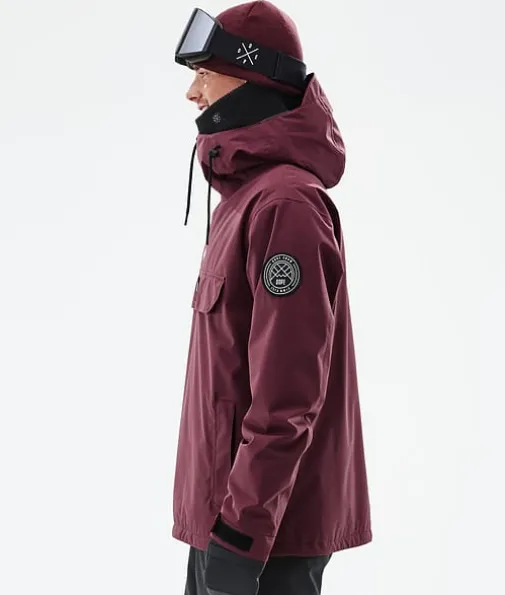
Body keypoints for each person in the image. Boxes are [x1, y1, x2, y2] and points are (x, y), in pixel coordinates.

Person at [172, 2, 372, 594]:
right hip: (226, 520)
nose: (192, 93)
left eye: (204, 73)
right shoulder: (246, 201)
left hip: (261, 538)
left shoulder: (285, 206)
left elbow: (288, 395)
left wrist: (241, 535)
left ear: (249, 77)